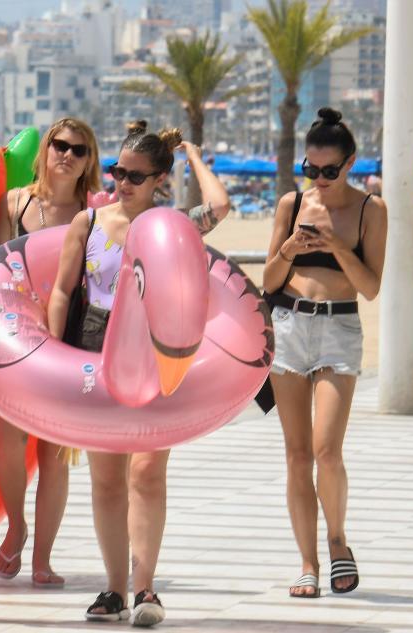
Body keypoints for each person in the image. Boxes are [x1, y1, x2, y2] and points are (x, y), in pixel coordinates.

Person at [47, 121, 231, 626]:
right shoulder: (88, 222)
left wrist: (192, 151)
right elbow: (64, 290)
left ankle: (146, 587)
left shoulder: (171, 226)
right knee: (106, 480)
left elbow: (218, 206)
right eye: (116, 171)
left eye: (133, 176)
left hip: (150, 349)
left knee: (147, 472)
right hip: (93, 342)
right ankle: (113, 589)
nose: (120, 182)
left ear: (159, 180)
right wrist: (56, 356)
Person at [262, 107, 387, 599]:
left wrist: (337, 246)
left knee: (326, 451)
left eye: (328, 171)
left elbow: (371, 287)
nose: (318, 178)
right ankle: (308, 563)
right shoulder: (291, 203)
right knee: (296, 456)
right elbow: (269, 281)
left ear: (350, 163)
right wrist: (291, 248)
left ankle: (338, 541)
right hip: (289, 324)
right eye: (310, 169)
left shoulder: (368, 210)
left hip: (338, 327)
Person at [0, 117, 103, 587]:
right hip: (12, 335)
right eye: (59, 145)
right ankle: (16, 525)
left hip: (70, 336)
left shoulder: (94, 212)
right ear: (45, 149)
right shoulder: (16, 204)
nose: (67, 155)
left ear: (88, 160)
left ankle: (42, 559)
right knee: (7, 444)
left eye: (78, 149)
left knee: (55, 454)